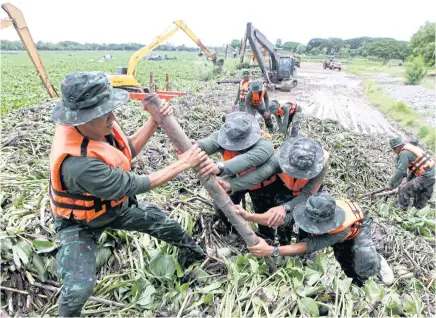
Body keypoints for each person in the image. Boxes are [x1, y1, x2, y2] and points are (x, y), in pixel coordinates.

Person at [49, 72, 208, 317]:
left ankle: (196, 259)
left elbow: (127, 150)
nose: (113, 117)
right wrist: (184, 163)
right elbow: (137, 184)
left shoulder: (98, 128)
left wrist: (155, 121)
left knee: (166, 225)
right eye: (104, 113)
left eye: (110, 108)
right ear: (81, 118)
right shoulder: (79, 164)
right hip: (79, 222)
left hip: (112, 207)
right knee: (79, 288)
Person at [237, 192, 395, 286]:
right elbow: (279, 219)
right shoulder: (311, 209)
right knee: (345, 263)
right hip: (339, 230)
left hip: (358, 226)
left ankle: (377, 260)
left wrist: (273, 251)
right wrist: (249, 216)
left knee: (363, 266)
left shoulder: (340, 229)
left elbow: (310, 245)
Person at [218, 136, 329, 243]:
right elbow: (261, 173)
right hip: (287, 188)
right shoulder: (282, 157)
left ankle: (305, 248)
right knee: (282, 222)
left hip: (307, 194)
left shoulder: (321, 165)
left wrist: (284, 207)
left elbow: (308, 194)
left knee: (307, 221)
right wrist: (231, 185)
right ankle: (283, 245)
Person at [193, 112, 275, 231]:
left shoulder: (264, 145)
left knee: (263, 216)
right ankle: (234, 231)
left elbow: (247, 160)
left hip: (261, 184)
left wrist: (220, 168)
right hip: (235, 177)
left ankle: (266, 237)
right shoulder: (226, 135)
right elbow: (210, 143)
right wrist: (196, 145)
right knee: (221, 205)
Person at [386, 137, 435, 210]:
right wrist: (408, 179)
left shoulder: (404, 153)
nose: (394, 151)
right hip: (433, 174)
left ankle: (401, 210)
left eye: (394, 149)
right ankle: (418, 211)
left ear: (399, 146)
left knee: (404, 189)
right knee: (422, 195)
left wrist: (390, 184)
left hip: (426, 175)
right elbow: (416, 167)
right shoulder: (410, 149)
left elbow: (400, 171)